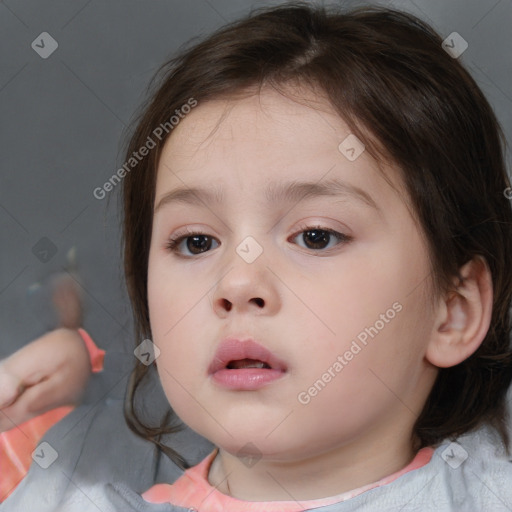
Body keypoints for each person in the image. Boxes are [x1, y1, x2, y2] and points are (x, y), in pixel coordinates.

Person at [3, 2, 512, 510]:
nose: (237, 283)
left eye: (316, 236)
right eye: (196, 242)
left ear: (453, 312)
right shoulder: (63, 487)